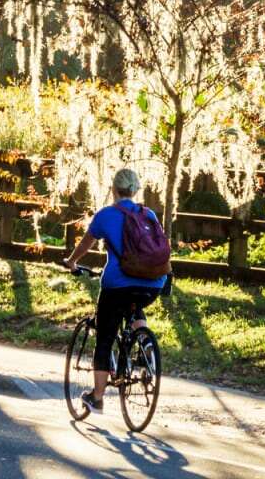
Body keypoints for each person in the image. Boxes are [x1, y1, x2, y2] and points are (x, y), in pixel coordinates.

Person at [63, 168, 166, 414]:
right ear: (135, 190)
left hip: (118, 284)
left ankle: (97, 398)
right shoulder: (148, 213)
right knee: (135, 305)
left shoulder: (106, 215)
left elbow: (86, 243)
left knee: (105, 338)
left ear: (113, 189)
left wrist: (71, 262)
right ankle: (145, 344)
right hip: (153, 282)